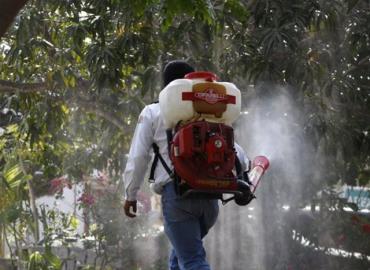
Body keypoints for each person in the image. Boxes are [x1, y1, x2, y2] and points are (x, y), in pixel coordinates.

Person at [123, 60, 249, 270]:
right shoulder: (211, 113)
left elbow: (138, 157)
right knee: (180, 259)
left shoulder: (153, 112)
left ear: (166, 87)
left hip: (179, 196)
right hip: (210, 199)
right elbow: (238, 154)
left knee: (192, 262)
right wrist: (245, 177)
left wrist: (130, 195)